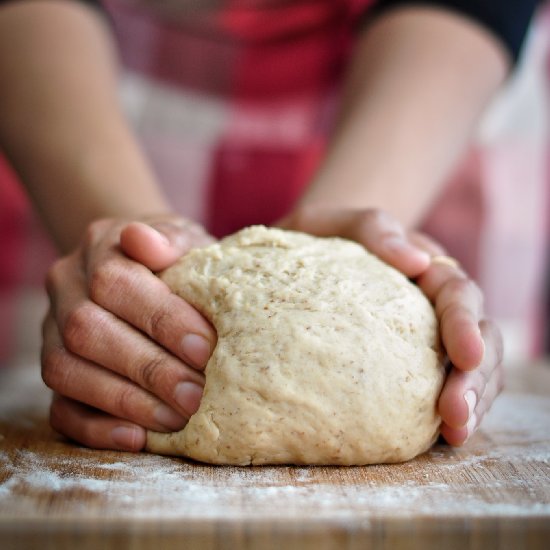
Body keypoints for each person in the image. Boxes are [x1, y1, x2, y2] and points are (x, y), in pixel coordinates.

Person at [0, 0, 537, 453]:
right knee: (115, 360)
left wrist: (356, 259)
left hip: (427, 96)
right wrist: (134, 261)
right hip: (64, 89)